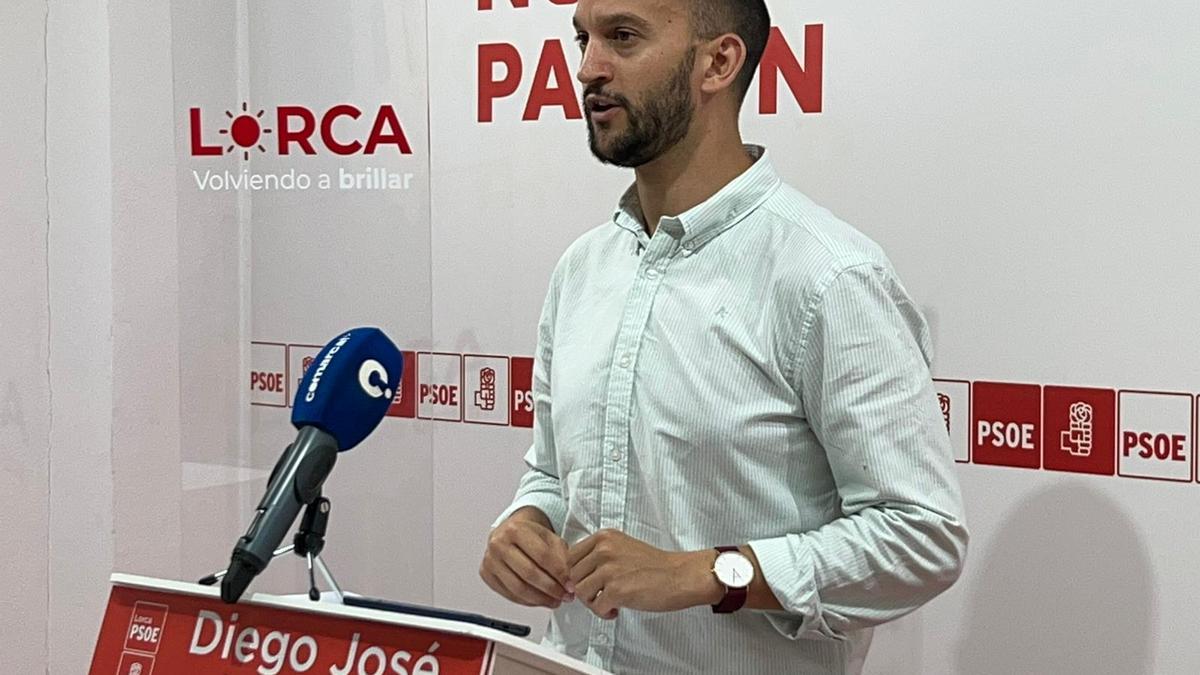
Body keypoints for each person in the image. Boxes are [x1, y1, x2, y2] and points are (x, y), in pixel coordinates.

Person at [479, 1, 968, 672]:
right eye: (582, 39)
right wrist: (526, 523)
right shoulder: (581, 270)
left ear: (719, 62)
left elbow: (921, 537)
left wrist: (712, 573)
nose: (588, 68)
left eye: (622, 37)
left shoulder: (827, 275)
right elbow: (554, 471)